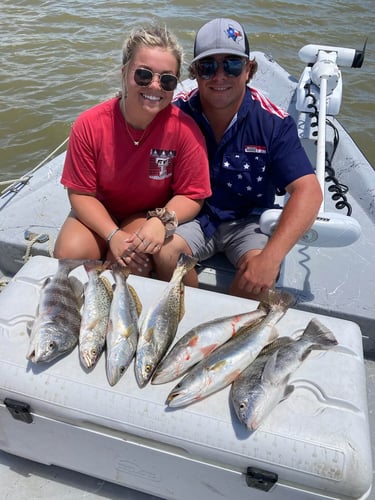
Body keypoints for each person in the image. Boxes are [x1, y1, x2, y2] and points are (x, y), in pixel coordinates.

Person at [154, 18, 323, 298]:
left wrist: (271, 258)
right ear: (195, 72)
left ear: (249, 70)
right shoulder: (176, 115)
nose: (220, 77)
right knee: (164, 253)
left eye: (232, 65)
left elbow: (309, 191)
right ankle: (189, 322)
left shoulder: (273, 123)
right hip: (196, 217)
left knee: (260, 277)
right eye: (208, 67)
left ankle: (228, 333)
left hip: (249, 221)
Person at [54, 24, 211, 276]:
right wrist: (112, 235)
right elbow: (80, 193)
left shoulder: (185, 130)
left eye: (167, 80)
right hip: (98, 210)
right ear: (125, 72)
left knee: (132, 263)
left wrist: (161, 221)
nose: (155, 86)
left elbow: (193, 194)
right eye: (144, 75)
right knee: (69, 256)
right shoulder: (89, 124)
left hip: (144, 215)